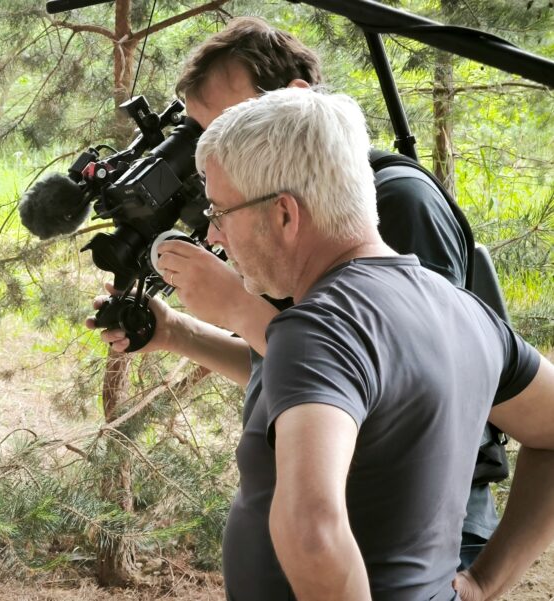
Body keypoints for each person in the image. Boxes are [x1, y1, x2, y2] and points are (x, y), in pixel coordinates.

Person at [89, 16, 494, 594]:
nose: (211, 155)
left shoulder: (395, 203)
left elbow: (396, 378)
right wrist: (178, 332)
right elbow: (304, 374)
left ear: (297, 99)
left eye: (229, 125)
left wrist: (236, 305)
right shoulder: (291, 235)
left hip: (413, 531)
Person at [184, 86, 554, 600]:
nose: (213, 236)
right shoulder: (465, 311)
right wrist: (484, 583)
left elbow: (311, 531)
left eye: (220, 212)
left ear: (285, 214)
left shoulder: (319, 326)